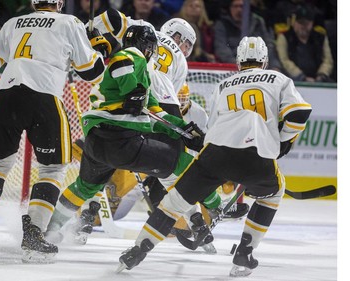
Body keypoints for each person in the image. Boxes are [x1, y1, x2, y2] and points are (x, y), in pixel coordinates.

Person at [117, 36, 312, 277]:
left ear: (239, 61)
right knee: (274, 193)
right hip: (256, 155)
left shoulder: (223, 85)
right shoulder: (279, 79)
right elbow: (300, 113)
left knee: (175, 202)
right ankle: (244, 253)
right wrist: (283, 142)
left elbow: (212, 128)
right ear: (264, 60)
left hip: (214, 153)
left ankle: (137, 251)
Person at [44, 24, 205, 247]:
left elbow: (112, 24)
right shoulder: (136, 57)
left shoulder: (124, 55)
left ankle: (50, 229)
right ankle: (199, 217)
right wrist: (183, 129)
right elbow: (152, 105)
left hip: (95, 135)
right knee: (177, 164)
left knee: (84, 185)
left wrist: (93, 34)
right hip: (122, 139)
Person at [0, 0, 111, 263]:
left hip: (4, 96)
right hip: (43, 97)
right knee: (53, 168)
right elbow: (91, 72)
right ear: (59, 3)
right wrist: (99, 49)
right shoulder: (70, 22)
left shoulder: (12, 22)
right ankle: (33, 235)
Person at [213, 0, 281, 71]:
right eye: (235, 6)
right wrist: (242, 66)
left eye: (242, 6)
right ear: (230, 8)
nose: (239, 10)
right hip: (233, 69)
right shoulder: (222, 25)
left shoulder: (258, 22)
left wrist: (274, 66)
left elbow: (269, 46)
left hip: (260, 68)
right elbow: (222, 50)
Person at [275, 3, 334, 82]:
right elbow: (284, 60)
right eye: (300, 23)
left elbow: (327, 60)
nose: (303, 26)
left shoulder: (321, 37)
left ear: (312, 23)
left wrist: (321, 75)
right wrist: (301, 77)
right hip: (291, 79)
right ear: (294, 22)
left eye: (306, 23)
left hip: (318, 79)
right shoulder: (284, 37)